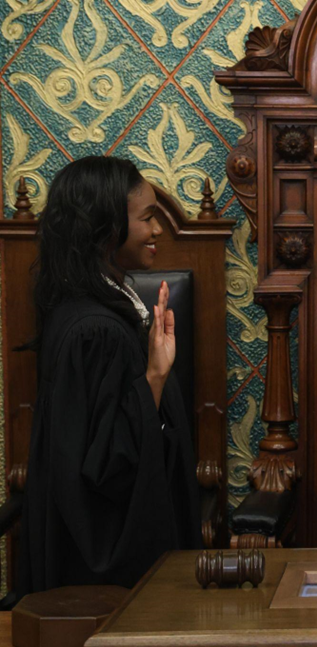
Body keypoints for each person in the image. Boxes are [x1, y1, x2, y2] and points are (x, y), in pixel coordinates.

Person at [20, 156, 201, 595]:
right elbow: (108, 468)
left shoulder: (83, 311)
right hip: (105, 584)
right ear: (104, 229)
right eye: (147, 218)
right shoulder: (96, 332)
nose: (158, 230)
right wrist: (155, 377)